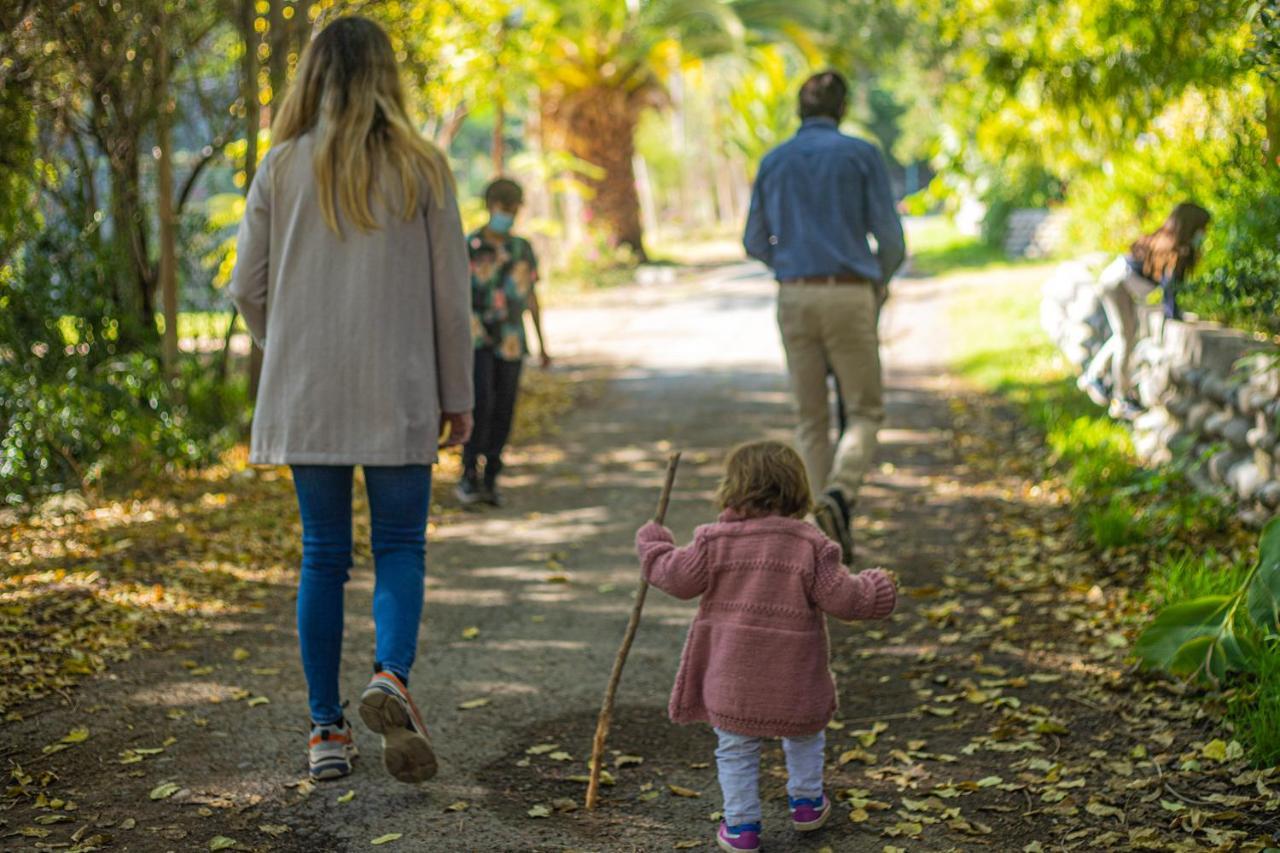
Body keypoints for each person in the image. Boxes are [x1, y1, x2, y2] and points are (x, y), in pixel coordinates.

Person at [228, 16, 473, 784]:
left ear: (314, 77)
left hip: (309, 394)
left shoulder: (280, 166)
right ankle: (390, 676)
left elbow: (245, 288)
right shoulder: (423, 167)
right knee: (400, 546)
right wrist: (458, 393)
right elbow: (450, 296)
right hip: (399, 389)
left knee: (322, 556)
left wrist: (291, 346)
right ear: (384, 76)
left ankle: (326, 731)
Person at [634, 441, 897, 852]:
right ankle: (807, 803)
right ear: (797, 490)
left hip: (732, 677)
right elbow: (843, 598)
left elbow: (676, 578)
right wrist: (876, 588)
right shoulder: (811, 544)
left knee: (736, 748)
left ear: (733, 488)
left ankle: (741, 827)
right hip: (793, 675)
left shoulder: (713, 541)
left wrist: (654, 547)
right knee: (806, 735)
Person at [743, 70, 905, 566]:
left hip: (793, 295)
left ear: (799, 110)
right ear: (843, 108)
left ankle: (820, 535)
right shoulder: (861, 154)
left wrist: (789, 267)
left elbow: (753, 240)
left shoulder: (774, 160)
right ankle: (839, 493)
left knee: (810, 419)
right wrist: (875, 284)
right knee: (864, 411)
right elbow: (892, 241)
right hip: (849, 293)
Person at [455, 178, 551, 507]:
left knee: (504, 408)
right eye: (503, 209)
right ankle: (469, 472)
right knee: (481, 402)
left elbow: (531, 297)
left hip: (511, 340)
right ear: (491, 206)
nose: (507, 216)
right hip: (478, 337)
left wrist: (542, 343)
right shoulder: (470, 245)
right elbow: (456, 299)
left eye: (512, 210)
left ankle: (492, 474)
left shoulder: (522, 248)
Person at [1078, 201, 1211, 420]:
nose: (1203, 234)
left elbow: (1172, 288)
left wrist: (1175, 313)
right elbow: (1169, 287)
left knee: (1126, 334)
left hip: (1120, 284)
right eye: (1202, 229)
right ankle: (1120, 397)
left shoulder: (1176, 245)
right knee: (1125, 337)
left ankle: (1095, 375)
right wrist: (1172, 315)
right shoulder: (1173, 246)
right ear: (1192, 226)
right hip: (1116, 283)